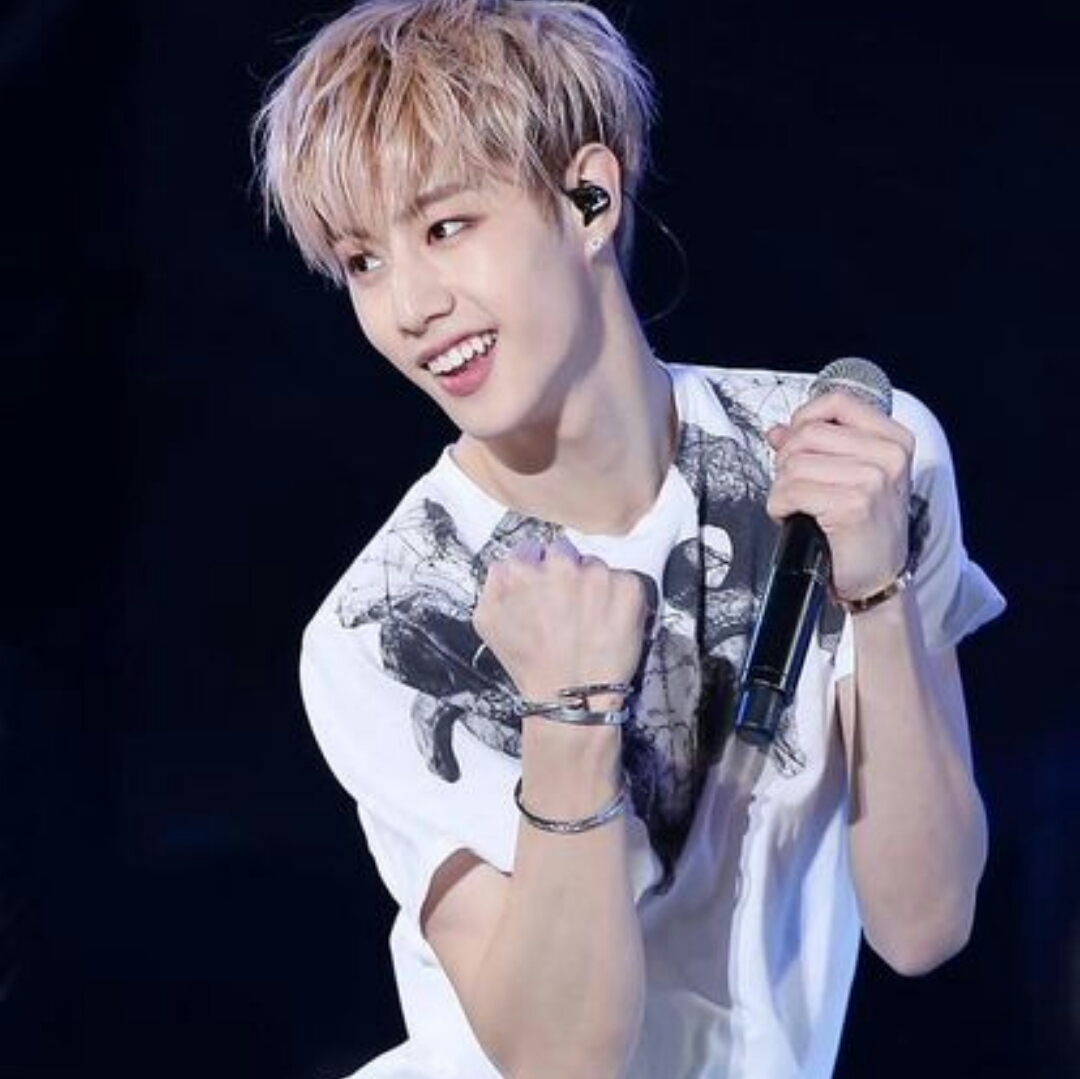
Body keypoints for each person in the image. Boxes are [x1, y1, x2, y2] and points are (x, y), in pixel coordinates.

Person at [252, 2, 1006, 1076]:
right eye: (363, 261)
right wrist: (569, 715)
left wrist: (877, 594)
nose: (409, 305)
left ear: (589, 197)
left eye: (445, 226)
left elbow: (925, 923)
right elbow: (563, 1058)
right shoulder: (389, 621)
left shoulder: (856, 459)